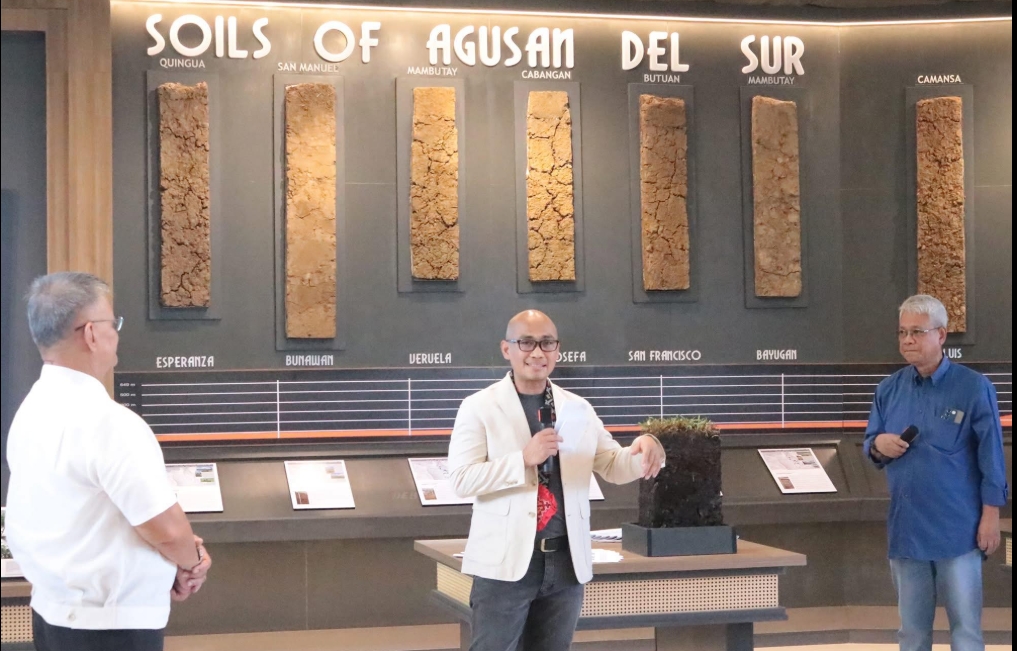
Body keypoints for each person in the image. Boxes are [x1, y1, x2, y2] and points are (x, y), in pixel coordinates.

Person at [5, 272, 212, 651]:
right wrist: (192, 559)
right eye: (112, 323)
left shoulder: (30, 411)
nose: (117, 333)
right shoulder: (110, 423)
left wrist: (178, 552)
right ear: (91, 334)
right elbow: (166, 530)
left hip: (52, 615)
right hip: (110, 629)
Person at [448, 309, 665, 651]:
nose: (537, 352)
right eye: (526, 343)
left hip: (565, 561)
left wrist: (644, 450)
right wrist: (523, 459)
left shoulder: (576, 407)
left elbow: (612, 464)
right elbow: (461, 480)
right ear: (507, 349)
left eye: (546, 343)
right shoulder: (479, 407)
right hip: (506, 565)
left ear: (557, 350)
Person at [863, 294, 1008, 651]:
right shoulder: (889, 388)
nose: (907, 340)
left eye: (916, 331)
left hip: (958, 531)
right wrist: (878, 443)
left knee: (966, 631)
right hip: (907, 531)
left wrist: (991, 516)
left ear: (941, 336)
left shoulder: (973, 387)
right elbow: (870, 445)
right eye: (902, 332)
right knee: (911, 633)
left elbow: (991, 456)